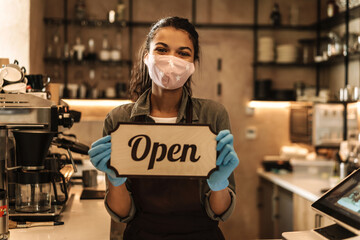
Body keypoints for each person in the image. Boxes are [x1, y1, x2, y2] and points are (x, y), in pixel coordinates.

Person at [88, 16, 239, 240]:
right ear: (147, 57)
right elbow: (122, 212)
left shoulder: (213, 115)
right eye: (162, 49)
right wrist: (114, 180)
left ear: (193, 65)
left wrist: (219, 183)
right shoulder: (119, 119)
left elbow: (218, 211)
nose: (171, 60)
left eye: (183, 53)